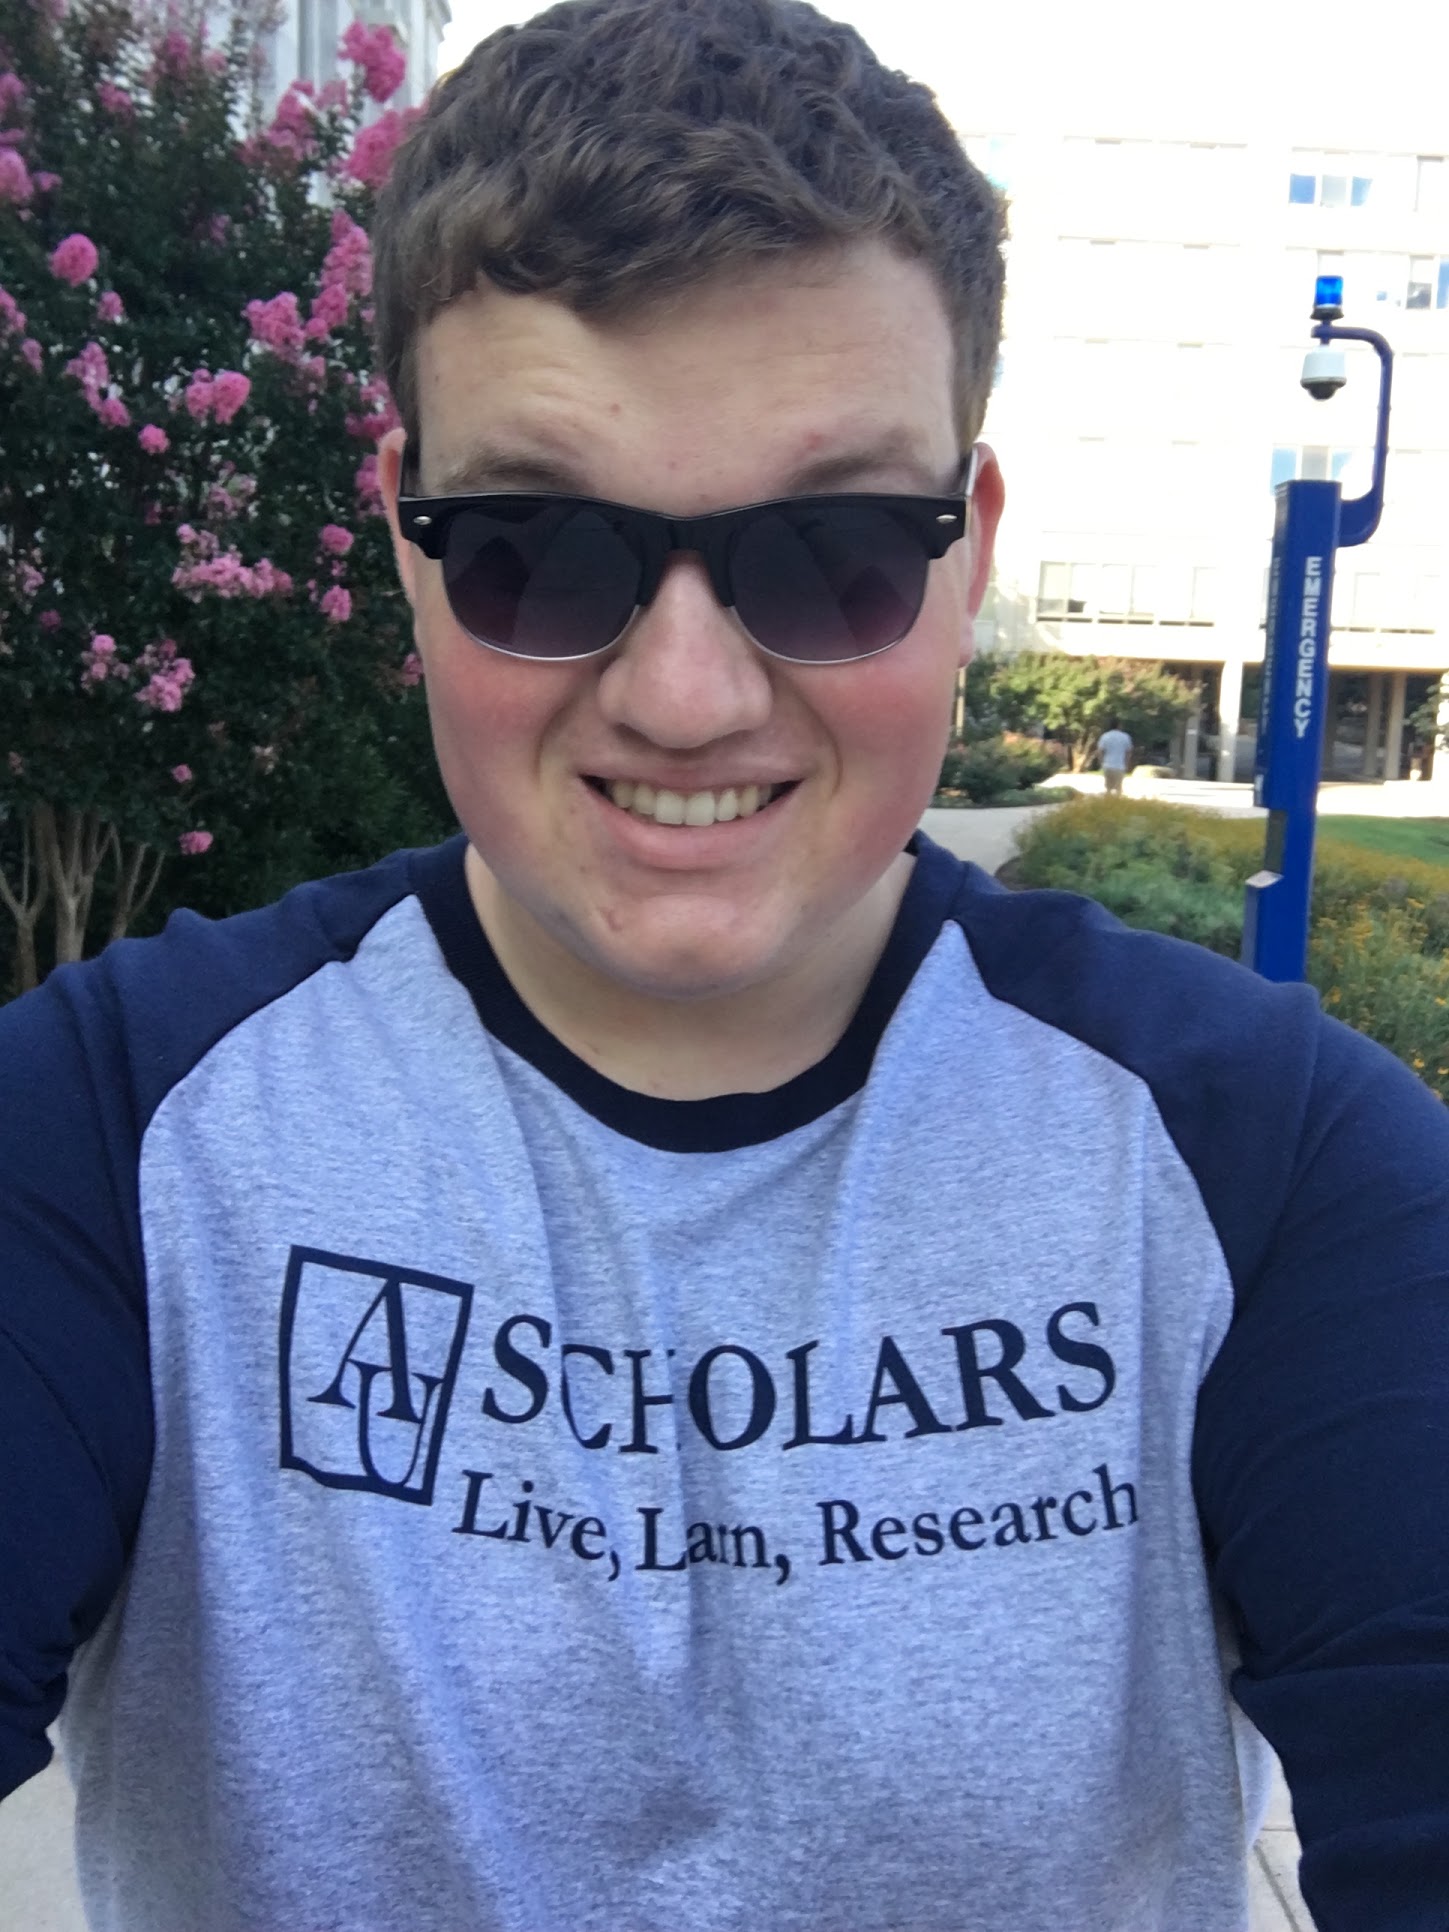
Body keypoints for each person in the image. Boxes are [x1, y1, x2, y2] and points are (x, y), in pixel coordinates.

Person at [2, 2, 1447, 1928]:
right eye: (532, 543)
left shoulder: (1271, 1168)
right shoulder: (107, 1135)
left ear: (962, 551)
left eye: (830, 548)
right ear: (408, 542)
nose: (684, 696)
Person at [1097, 717, 1133, 794]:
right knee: (1118, 789)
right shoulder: (1125, 737)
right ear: (1119, 725)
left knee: (1108, 789)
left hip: (1108, 765)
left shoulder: (1105, 736)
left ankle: (1108, 800)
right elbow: (1128, 752)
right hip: (1119, 766)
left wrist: (1102, 763)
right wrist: (1126, 764)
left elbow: (1100, 751)